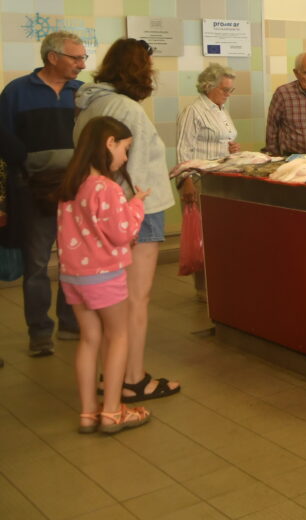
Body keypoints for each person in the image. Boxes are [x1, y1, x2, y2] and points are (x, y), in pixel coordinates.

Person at [76, 38, 179, 402]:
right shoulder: (126, 108)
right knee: (136, 299)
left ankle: (112, 377)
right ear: (138, 69)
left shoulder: (91, 105)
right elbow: (131, 169)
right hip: (137, 211)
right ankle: (133, 379)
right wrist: (130, 214)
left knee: (115, 302)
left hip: (101, 211)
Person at [56, 116, 152, 434]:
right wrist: (136, 205)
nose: (124, 158)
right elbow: (121, 233)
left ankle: (87, 413)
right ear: (109, 143)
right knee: (118, 337)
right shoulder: (106, 187)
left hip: (73, 276)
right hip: (104, 276)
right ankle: (112, 412)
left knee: (89, 339)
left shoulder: (71, 183)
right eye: (125, 149)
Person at [0, 31, 87, 356]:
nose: (81, 63)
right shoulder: (16, 92)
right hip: (33, 191)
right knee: (36, 264)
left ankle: (69, 323)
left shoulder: (83, 93)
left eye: (82, 58)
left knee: (73, 261)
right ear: (53, 57)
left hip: (77, 191)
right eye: (75, 57)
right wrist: (23, 168)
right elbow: (4, 138)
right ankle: (39, 333)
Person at [176, 63, 240, 301]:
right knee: (202, 237)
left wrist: (233, 148)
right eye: (225, 90)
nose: (228, 95)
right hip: (199, 180)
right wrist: (186, 181)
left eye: (231, 90)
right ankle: (203, 290)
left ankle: (219, 283)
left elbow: (224, 139)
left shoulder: (221, 109)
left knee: (218, 236)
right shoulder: (193, 111)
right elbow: (184, 150)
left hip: (221, 177)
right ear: (208, 87)